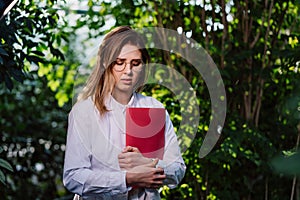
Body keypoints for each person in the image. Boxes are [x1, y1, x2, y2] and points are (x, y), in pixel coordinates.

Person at [63, 26, 186, 200]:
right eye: (120, 62)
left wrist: (147, 163)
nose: (128, 71)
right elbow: (73, 177)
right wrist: (127, 178)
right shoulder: (85, 112)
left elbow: (178, 169)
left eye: (135, 63)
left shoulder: (154, 108)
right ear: (106, 63)